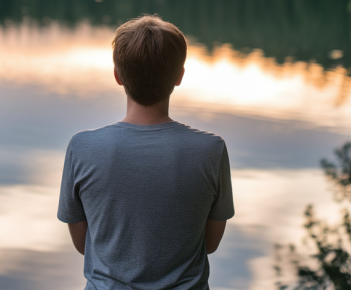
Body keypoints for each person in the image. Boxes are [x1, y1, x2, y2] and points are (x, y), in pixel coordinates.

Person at [58, 14, 235, 290]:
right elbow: (210, 244)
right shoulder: (210, 150)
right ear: (179, 76)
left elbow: (84, 245)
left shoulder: (83, 148)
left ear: (117, 76)